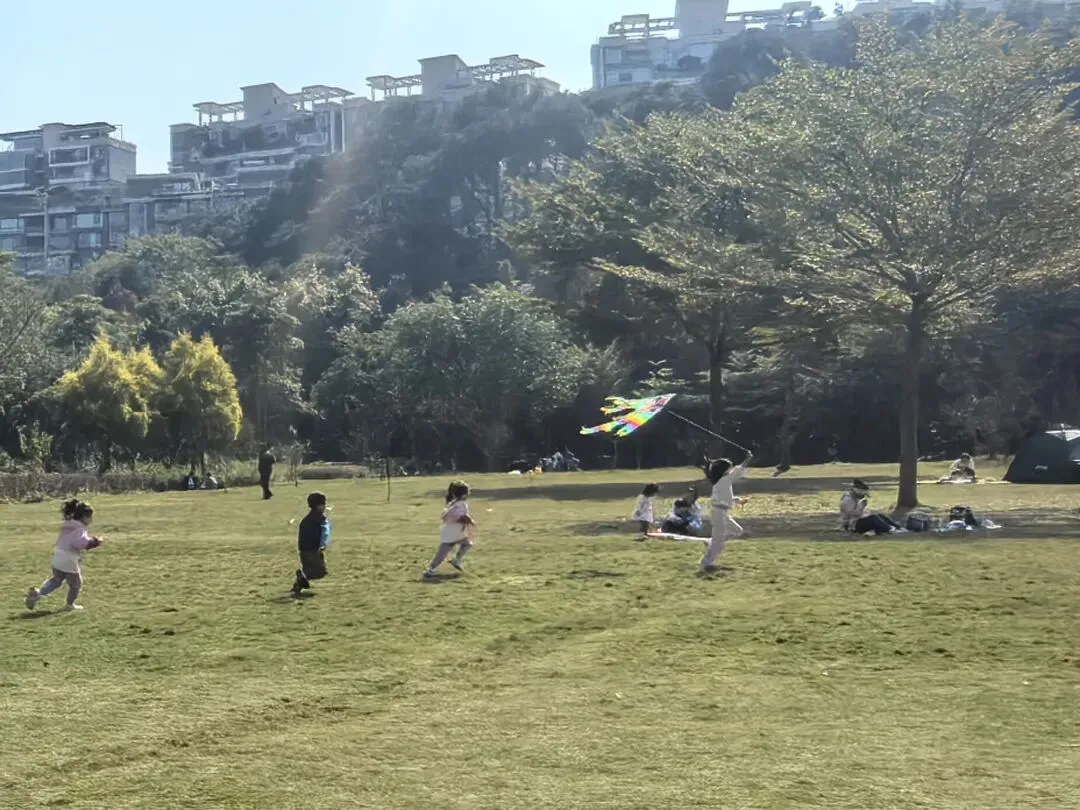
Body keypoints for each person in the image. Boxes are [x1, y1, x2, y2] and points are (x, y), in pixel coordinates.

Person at [25, 499, 104, 612]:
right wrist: (95, 542)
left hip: (58, 555)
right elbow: (80, 543)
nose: (90, 521)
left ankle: (38, 594)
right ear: (84, 517)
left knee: (57, 580)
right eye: (89, 518)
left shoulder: (68, 524)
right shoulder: (79, 529)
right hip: (69, 558)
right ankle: (70, 604)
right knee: (76, 584)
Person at [701, 453, 753, 573]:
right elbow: (739, 469)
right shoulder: (725, 479)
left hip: (720, 513)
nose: (731, 470)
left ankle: (712, 543)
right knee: (718, 543)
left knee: (737, 531)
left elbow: (725, 497)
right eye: (729, 468)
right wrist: (748, 458)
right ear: (724, 470)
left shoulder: (722, 481)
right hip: (718, 513)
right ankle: (705, 564)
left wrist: (738, 500)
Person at [424, 481, 477, 578]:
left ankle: (432, 569)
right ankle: (456, 560)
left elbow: (447, 515)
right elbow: (461, 516)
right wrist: (469, 521)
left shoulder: (452, 503)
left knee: (443, 552)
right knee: (468, 544)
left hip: (448, 531)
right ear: (464, 494)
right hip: (456, 532)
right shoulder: (462, 504)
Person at [292, 492, 331, 596]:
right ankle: (301, 576)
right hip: (312, 549)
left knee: (310, 569)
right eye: (323, 504)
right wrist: (323, 544)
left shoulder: (307, 519)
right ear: (319, 506)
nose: (325, 507)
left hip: (304, 549)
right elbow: (325, 531)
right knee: (320, 572)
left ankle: (298, 585)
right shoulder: (320, 518)